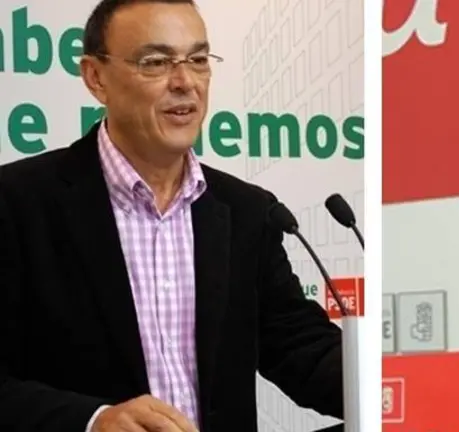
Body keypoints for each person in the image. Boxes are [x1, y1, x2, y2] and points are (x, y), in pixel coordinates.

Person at [0, 1, 343, 431]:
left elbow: (298, 346)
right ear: (96, 77)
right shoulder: (16, 202)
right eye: (156, 62)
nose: (185, 83)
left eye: (198, 60)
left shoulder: (248, 210)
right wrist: (93, 421)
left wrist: (391, 380)